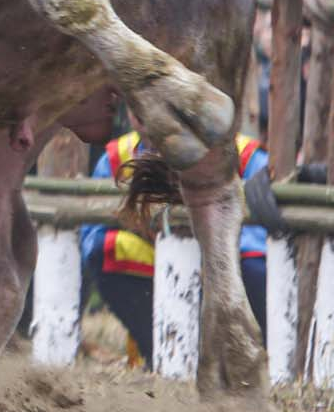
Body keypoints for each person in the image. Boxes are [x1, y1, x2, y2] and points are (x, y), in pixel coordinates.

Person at [79, 130, 270, 366]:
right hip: (155, 258)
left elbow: (259, 241)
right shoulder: (116, 156)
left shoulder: (248, 156)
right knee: (105, 249)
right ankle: (158, 351)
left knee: (253, 265)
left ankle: (255, 357)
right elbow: (90, 237)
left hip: (228, 262)